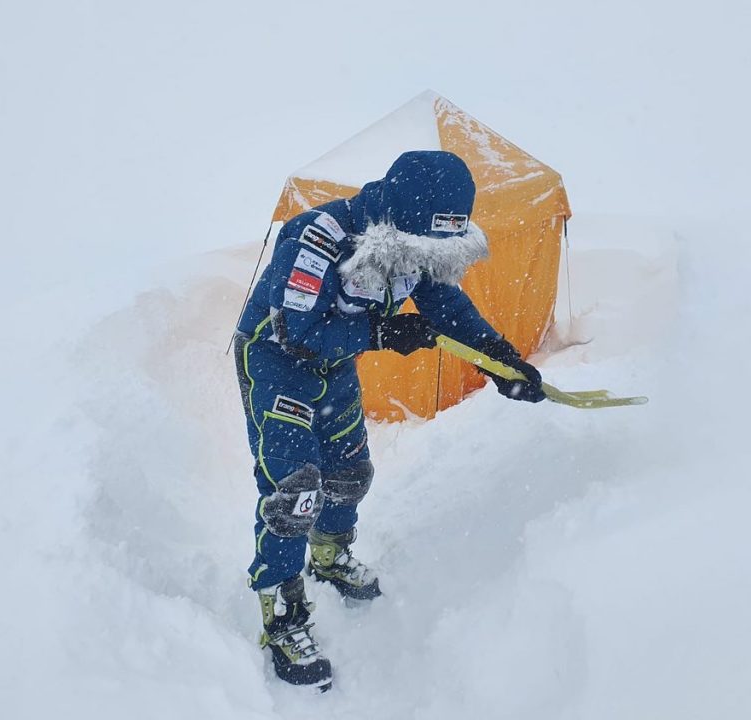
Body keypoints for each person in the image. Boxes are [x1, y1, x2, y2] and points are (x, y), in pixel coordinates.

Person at [233, 150, 544, 691]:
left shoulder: (416, 241)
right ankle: (282, 609)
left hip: (334, 364)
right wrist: (382, 336)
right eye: (423, 248)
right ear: (399, 220)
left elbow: (446, 305)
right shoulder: (319, 238)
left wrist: (499, 358)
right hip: (277, 361)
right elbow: (297, 332)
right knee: (297, 490)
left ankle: (329, 555)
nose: (426, 260)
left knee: (351, 473)